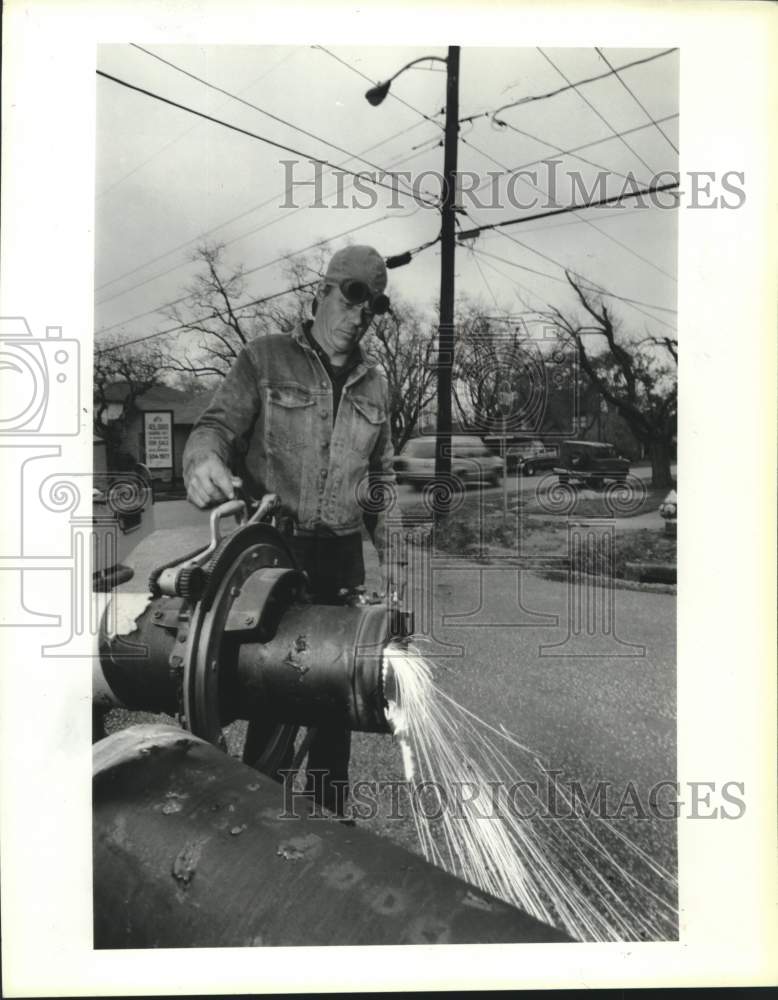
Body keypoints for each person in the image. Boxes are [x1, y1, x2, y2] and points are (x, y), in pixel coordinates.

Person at [182, 245, 397, 815]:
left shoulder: (377, 385)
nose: (359, 318)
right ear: (320, 293)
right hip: (273, 562)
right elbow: (215, 427)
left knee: (334, 707)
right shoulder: (266, 359)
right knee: (271, 699)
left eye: (371, 309)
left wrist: (397, 561)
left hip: (340, 561)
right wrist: (203, 459)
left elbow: (381, 484)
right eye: (350, 301)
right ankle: (257, 830)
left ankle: (328, 833)